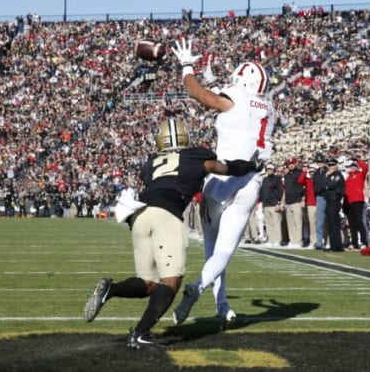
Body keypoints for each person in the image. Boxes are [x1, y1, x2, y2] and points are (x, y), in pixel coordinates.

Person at [82, 118, 259, 349]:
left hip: (139, 214)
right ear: (185, 138)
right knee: (171, 281)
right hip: (167, 213)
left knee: (150, 283)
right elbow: (226, 168)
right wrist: (250, 166)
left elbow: (157, 182)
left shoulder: (150, 162)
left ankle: (110, 289)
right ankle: (140, 334)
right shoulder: (197, 155)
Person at [170, 38, 275, 327]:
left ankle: (209, 294)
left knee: (211, 248)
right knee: (225, 252)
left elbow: (198, 95)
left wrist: (187, 66)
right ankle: (220, 304)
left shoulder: (234, 96)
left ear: (241, 80)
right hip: (250, 183)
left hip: (221, 178)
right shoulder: (268, 107)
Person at [343, 156, 369, 250]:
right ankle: (354, 243)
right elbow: (345, 191)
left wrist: (357, 160)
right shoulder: (348, 178)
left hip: (358, 201)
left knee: (359, 222)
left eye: (354, 166)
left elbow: (365, 167)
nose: (353, 168)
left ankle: (364, 242)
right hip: (350, 202)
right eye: (351, 166)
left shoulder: (360, 175)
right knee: (352, 224)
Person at [321, 158, 346, 252]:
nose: (331, 167)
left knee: (334, 224)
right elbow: (321, 186)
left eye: (332, 165)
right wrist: (326, 180)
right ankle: (333, 245)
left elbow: (331, 185)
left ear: (336, 165)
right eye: (329, 165)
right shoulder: (327, 175)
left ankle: (336, 246)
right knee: (330, 224)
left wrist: (327, 182)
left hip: (334, 200)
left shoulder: (338, 175)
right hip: (329, 200)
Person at [261, 164, 285, 247]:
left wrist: (278, 203)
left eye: (271, 169)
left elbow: (280, 192)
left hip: (274, 204)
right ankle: (271, 240)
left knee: (276, 223)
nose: (269, 170)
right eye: (268, 169)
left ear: (273, 170)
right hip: (266, 204)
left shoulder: (277, 179)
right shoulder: (264, 180)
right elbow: (262, 192)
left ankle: (277, 240)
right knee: (268, 224)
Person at [283, 157, 305, 248]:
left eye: (292, 163)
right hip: (288, 201)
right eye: (289, 164)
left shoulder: (300, 173)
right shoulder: (287, 175)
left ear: (295, 164)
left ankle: (298, 241)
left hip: (297, 200)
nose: (291, 165)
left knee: (298, 222)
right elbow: (285, 189)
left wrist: (303, 199)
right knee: (290, 223)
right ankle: (292, 241)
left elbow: (304, 187)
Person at [297, 160, 318, 248]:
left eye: (313, 171)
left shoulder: (318, 178)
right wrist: (305, 172)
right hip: (310, 204)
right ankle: (313, 241)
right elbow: (300, 181)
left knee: (321, 223)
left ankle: (323, 240)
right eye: (311, 171)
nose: (312, 172)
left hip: (319, 203)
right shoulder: (307, 178)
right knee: (312, 224)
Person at [312, 153, 329, 249]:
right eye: (318, 162)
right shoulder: (316, 173)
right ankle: (319, 242)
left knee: (329, 220)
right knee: (319, 222)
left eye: (321, 162)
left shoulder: (328, 171)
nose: (320, 163)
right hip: (320, 197)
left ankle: (328, 241)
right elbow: (315, 186)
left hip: (327, 196)